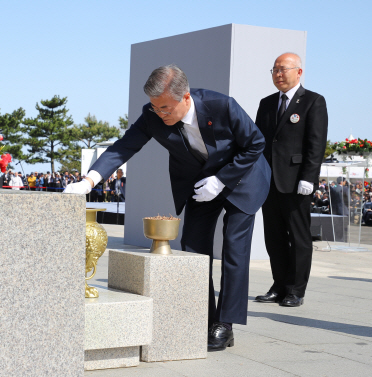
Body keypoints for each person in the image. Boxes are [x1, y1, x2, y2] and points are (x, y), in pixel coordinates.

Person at [65, 64, 270, 352]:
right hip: (201, 183)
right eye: (154, 107)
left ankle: (225, 324)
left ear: (185, 97)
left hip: (243, 178)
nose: (159, 114)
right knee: (194, 248)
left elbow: (256, 143)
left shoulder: (222, 106)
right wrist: (88, 181)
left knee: (234, 250)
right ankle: (204, 318)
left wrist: (222, 180)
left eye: (165, 108)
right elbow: (124, 147)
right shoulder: (153, 115)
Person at [254, 53, 328, 308]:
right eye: (274, 70)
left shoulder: (313, 102)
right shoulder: (266, 103)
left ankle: (296, 289)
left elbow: (315, 144)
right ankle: (279, 285)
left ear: (298, 72)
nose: (278, 74)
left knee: (298, 237)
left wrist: (309, 177)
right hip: (269, 181)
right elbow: (259, 142)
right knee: (273, 236)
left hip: (296, 182)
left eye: (283, 69)